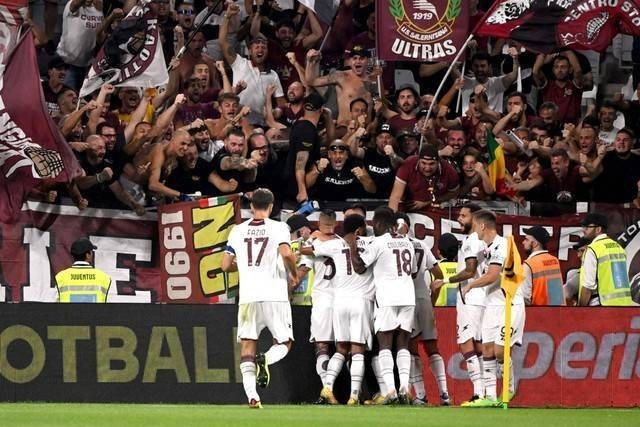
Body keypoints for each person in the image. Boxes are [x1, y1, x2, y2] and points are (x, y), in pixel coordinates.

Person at [221, 188, 299, 409]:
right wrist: (293, 275)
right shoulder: (279, 227)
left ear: (252, 206)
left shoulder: (237, 230)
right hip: (274, 294)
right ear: (271, 206)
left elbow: (225, 265)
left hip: (248, 297)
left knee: (247, 346)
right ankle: (266, 359)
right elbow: (286, 253)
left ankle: (252, 397)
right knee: (285, 342)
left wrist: (244, 267)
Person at [346, 206, 416, 404]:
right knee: (403, 343)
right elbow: (413, 270)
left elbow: (359, 267)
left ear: (376, 223)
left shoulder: (378, 242)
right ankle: (404, 387)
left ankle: (391, 391)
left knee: (385, 344)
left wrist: (352, 245)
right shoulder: (407, 242)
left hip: (387, 298)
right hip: (408, 296)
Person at [461, 210, 525, 407]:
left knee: (499, 351)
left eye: (474, 226)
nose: (474, 231)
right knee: (487, 348)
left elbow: (493, 275)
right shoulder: (486, 248)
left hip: (510, 304)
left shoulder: (502, 245)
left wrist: (470, 285)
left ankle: (509, 388)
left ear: (482, 226)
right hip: (492, 304)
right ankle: (489, 397)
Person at [309, 214, 374, 405]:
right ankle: (354, 396)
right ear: (359, 230)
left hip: (339, 302)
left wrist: (312, 238)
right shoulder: (371, 244)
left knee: (340, 348)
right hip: (360, 302)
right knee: (357, 350)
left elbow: (309, 249)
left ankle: (327, 387)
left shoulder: (333, 246)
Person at [432, 202, 486, 405]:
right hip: (479, 297)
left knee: (465, 343)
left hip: (471, 297)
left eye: (463, 216)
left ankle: (479, 392)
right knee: (479, 345)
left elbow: (470, 270)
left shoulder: (472, 241)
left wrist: (444, 281)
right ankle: (484, 392)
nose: (459, 219)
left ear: (475, 218)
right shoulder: (481, 241)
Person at [395, 213, 449, 406]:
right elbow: (438, 274)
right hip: (423, 298)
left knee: (410, 347)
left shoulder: (394, 245)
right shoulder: (422, 245)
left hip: (406, 300)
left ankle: (421, 395)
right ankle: (444, 394)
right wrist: (431, 298)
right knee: (431, 346)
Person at [298, 210, 339, 402]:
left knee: (322, 347)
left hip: (322, 301)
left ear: (319, 223)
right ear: (336, 224)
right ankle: (356, 392)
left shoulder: (313, 244)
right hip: (343, 300)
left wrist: (289, 287)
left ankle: (326, 390)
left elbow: (303, 270)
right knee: (347, 348)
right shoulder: (343, 243)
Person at [578, 213, 632, 306]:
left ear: (598, 229)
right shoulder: (618, 247)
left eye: (587, 227)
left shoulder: (593, 249)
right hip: (625, 305)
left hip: (602, 306)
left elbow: (588, 286)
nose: (584, 230)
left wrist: (580, 311)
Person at [388, 145, 460, 212]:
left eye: (431, 164)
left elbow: (454, 193)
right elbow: (395, 197)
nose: (427, 168)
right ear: (418, 160)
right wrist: (393, 220)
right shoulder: (408, 164)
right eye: (423, 163)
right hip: (409, 208)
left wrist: (427, 203)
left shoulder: (449, 171)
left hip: (438, 210)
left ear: (438, 161)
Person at [55, 237, 111, 303]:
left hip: (68, 313)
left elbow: (54, 305)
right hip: (95, 313)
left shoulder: (60, 277)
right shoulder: (104, 278)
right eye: (91, 252)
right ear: (88, 255)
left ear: (73, 256)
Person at [521, 226, 564, 306]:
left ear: (535, 244)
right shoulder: (554, 261)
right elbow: (556, 295)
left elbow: (524, 297)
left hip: (538, 313)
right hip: (556, 312)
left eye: (526, 240)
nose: (523, 242)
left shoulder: (528, 264)